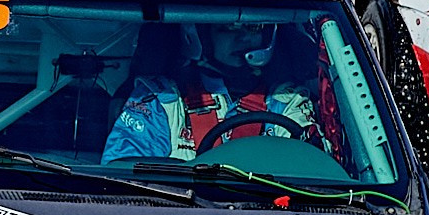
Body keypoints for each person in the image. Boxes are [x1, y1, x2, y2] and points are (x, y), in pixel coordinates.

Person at [101, 23, 325, 165]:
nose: (243, 38)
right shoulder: (161, 98)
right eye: (228, 28)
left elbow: (309, 170)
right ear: (200, 35)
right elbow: (127, 178)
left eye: (253, 27)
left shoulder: (287, 101)